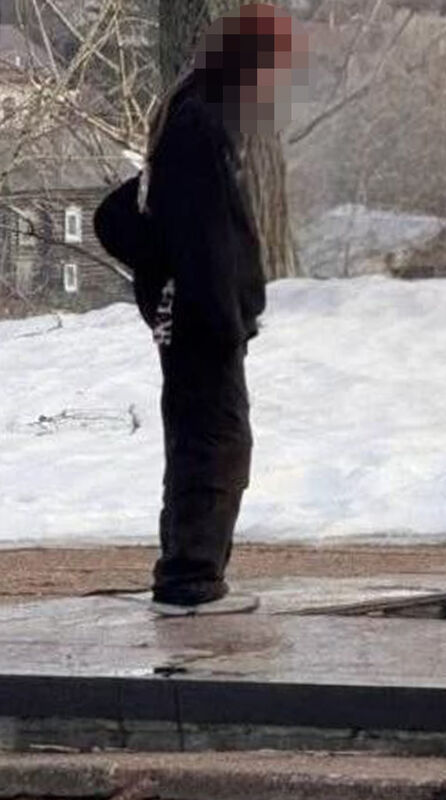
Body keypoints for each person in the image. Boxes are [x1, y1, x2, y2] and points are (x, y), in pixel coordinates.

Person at [94, 4, 301, 615]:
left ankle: (189, 574)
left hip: (190, 315)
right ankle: (190, 581)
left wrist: (160, 276)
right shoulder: (205, 121)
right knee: (214, 443)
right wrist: (221, 313)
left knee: (201, 439)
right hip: (201, 321)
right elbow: (205, 236)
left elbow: (129, 215)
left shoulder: (193, 113)